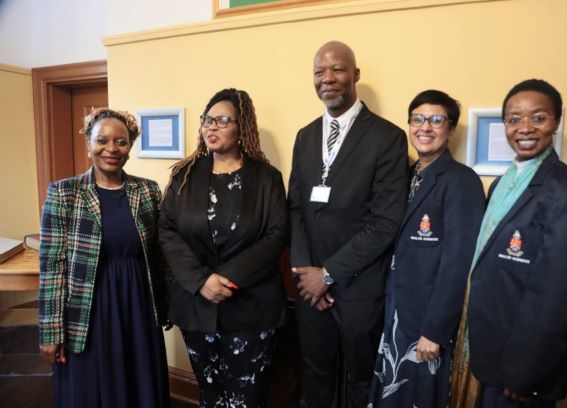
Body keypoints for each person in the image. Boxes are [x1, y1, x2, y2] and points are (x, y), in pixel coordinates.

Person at [462, 79, 567, 408]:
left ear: (556, 121)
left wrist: (526, 371)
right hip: (492, 354)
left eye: (538, 117)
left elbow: (561, 294)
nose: (524, 127)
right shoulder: (502, 183)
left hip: (522, 370)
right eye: (514, 119)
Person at [288, 40, 409, 407]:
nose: (328, 78)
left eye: (338, 69)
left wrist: (328, 274)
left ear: (355, 75)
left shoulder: (388, 138)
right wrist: (308, 276)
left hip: (359, 290)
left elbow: (386, 221)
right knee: (316, 376)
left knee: (360, 381)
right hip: (310, 291)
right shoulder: (305, 135)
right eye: (319, 72)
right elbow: (295, 209)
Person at [159, 88, 287, 407]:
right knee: (210, 393)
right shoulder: (185, 175)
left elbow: (276, 235)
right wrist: (202, 280)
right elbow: (167, 229)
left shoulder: (267, 178)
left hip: (251, 306)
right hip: (197, 305)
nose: (211, 127)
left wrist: (225, 279)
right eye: (207, 119)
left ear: (241, 126)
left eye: (223, 119)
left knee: (246, 397)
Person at [38, 108, 171, 407]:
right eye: (102, 140)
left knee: (140, 383)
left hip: (138, 306)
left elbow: (161, 255)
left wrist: (169, 306)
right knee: (90, 389)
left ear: (130, 146)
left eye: (121, 142)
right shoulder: (64, 193)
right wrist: (50, 330)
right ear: (89, 144)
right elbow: (52, 267)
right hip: (87, 311)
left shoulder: (148, 191)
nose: (111, 149)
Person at [369, 90, 485, 407]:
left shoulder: (462, 181)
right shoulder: (402, 175)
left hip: (425, 324)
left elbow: (458, 262)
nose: (426, 127)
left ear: (451, 129)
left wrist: (435, 330)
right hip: (394, 314)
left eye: (436, 120)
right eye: (418, 119)